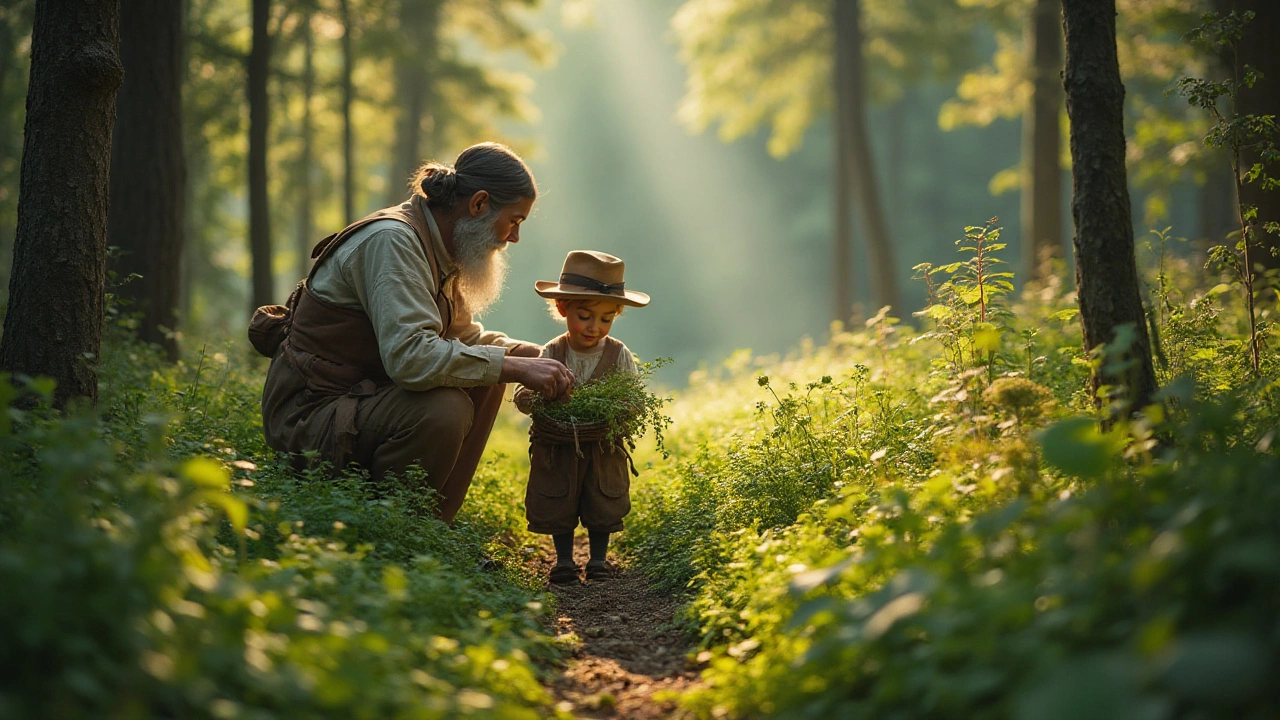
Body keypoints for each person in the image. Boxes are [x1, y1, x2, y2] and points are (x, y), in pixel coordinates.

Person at [252, 142, 574, 524]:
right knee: (445, 409)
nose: (514, 237)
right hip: (311, 416)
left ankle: (433, 528)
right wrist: (513, 367)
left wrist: (528, 355)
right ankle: (392, 531)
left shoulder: (441, 245)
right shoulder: (394, 242)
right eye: (515, 220)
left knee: (488, 377)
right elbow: (410, 359)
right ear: (479, 203)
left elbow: (464, 339)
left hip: (363, 400)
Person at [513, 251, 650, 584]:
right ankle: (563, 560)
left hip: (603, 443)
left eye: (606, 319)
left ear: (617, 314)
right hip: (558, 443)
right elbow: (524, 394)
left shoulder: (618, 353)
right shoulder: (552, 351)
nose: (595, 327)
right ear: (563, 309)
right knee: (557, 494)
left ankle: (599, 559)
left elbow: (635, 398)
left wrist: (622, 408)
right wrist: (538, 396)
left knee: (601, 497)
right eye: (585, 316)